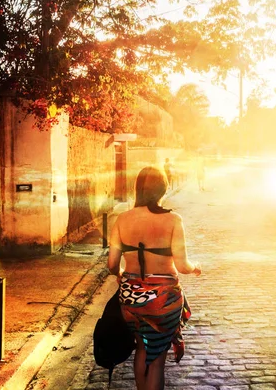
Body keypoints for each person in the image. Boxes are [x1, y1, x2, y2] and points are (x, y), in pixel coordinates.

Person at [107, 166, 202, 390]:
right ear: (162, 189)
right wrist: (195, 267)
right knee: (157, 359)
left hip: (131, 298)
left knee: (141, 348)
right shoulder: (173, 220)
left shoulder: (122, 219)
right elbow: (182, 265)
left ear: (138, 189)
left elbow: (112, 265)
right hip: (164, 299)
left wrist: (121, 275)